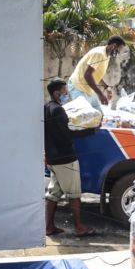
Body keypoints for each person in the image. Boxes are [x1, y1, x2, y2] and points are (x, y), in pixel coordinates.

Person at [44, 79, 97, 237]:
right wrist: (90, 130)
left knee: (53, 193)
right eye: (65, 92)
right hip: (65, 158)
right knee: (74, 194)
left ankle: (49, 227)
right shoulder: (58, 110)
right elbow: (67, 136)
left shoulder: (46, 107)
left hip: (52, 159)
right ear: (56, 93)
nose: (67, 95)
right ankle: (80, 227)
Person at [68, 35, 126, 114]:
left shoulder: (106, 55)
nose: (118, 53)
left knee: (99, 115)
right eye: (118, 50)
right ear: (114, 46)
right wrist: (100, 94)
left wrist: (106, 87)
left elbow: (97, 74)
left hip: (88, 90)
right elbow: (87, 75)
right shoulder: (99, 54)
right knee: (84, 117)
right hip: (78, 87)